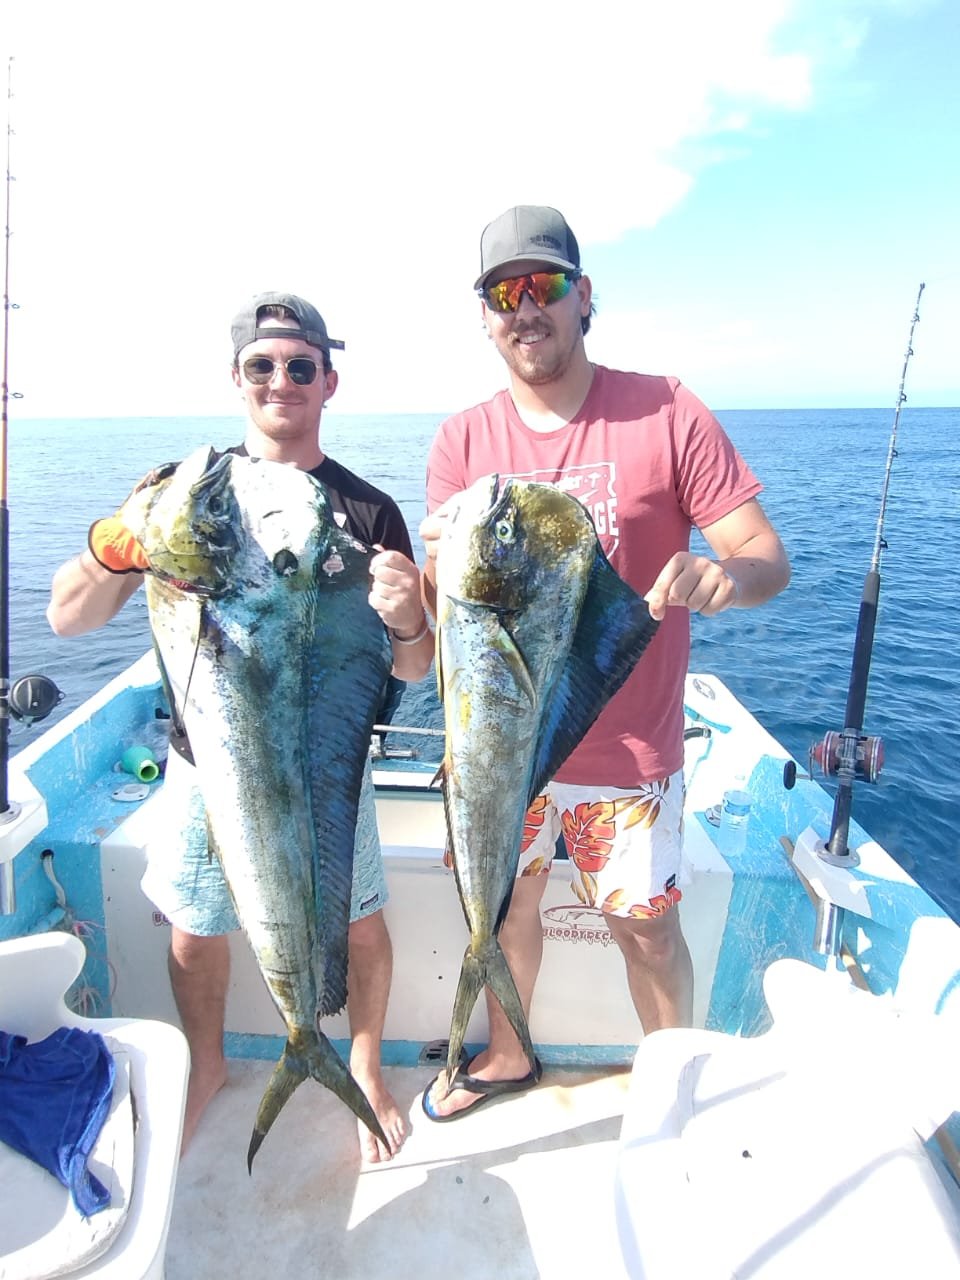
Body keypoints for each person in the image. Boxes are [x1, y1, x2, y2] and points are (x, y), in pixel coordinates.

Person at [419, 206, 791, 1120]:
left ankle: (676, 1087)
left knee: (648, 933)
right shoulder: (462, 440)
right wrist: (423, 576)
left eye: (543, 285)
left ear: (583, 296)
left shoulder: (665, 409)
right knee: (504, 913)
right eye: (501, 294)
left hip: (625, 755)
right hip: (498, 754)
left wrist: (724, 578)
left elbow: (764, 557)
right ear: (484, 318)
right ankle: (509, 1052)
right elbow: (443, 620)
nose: (524, 308)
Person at [47, 292, 435, 1160]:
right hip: (206, 764)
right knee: (194, 929)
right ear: (237, 378)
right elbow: (67, 618)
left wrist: (412, 617)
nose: (281, 381)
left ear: (329, 381)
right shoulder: (187, 497)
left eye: (301, 366)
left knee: (360, 923)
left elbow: (413, 668)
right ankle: (210, 1065)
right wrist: (115, 547)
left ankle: (361, 1062)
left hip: (330, 772)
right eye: (262, 365)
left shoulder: (371, 510)